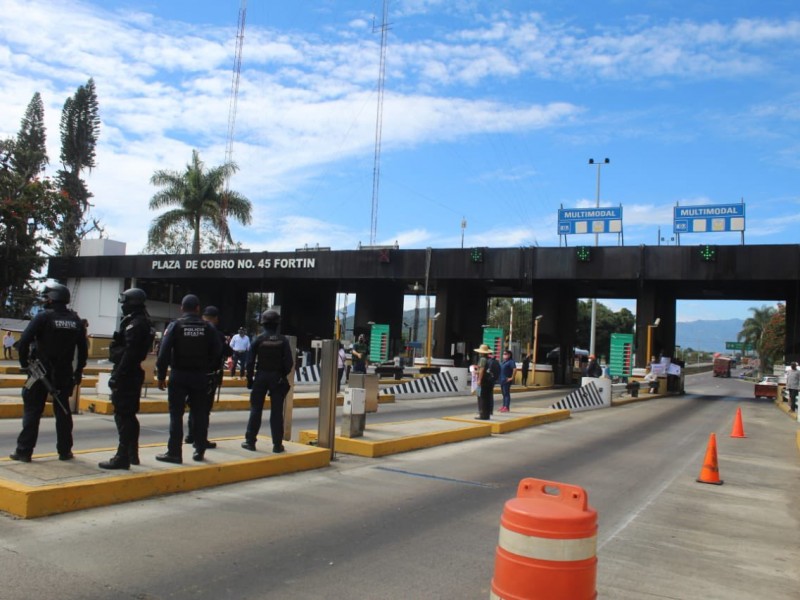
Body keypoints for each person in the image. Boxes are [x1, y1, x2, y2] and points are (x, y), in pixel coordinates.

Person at [10, 283, 87, 462]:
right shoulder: (75, 320)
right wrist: (78, 371)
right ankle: (65, 451)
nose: (45, 300)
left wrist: (24, 365)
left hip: (39, 373)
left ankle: (24, 451)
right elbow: (83, 350)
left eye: (47, 297)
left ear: (52, 298)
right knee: (63, 412)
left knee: (32, 411)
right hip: (64, 373)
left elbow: (23, 342)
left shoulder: (43, 317)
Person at [155, 294, 222, 463]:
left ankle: (174, 452)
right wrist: (208, 369)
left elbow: (163, 353)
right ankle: (199, 450)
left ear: (182, 308)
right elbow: (218, 352)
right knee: (200, 413)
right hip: (200, 376)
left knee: (176, 415)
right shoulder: (208, 328)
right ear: (198, 309)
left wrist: (161, 375)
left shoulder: (175, 326)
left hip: (178, 375)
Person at [99, 288, 155, 470]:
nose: (122, 306)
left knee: (123, 415)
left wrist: (117, 375)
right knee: (128, 415)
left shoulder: (136, 324)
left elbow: (130, 353)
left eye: (125, 302)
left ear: (132, 302)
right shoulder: (139, 321)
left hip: (127, 374)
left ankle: (123, 456)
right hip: (131, 373)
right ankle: (132, 454)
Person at [242, 309, 294, 453]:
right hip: (276, 378)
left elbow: (250, 362)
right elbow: (289, 363)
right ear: (277, 324)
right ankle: (277, 445)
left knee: (256, 409)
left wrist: (250, 379)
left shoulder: (258, 339)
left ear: (263, 323)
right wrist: (281, 375)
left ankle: (250, 441)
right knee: (277, 412)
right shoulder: (283, 340)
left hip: (261, 377)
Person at [185, 305, 231, 448]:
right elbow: (225, 352)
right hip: (208, 376)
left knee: (193, 406)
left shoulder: (189, 328)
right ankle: (200, 439)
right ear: (216, 319)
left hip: (189, 373)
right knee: (203, 410)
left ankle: (191, 435)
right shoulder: (216, 333)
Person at [473, 344, 494, 420]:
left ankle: (482, 414)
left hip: (483, 381)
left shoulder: (482, 359)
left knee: (482, 398)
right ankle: (486, 414)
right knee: (486, 398)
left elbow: (482, 370)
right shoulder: (487, 359)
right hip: (488, 381)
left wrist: (479, 380)